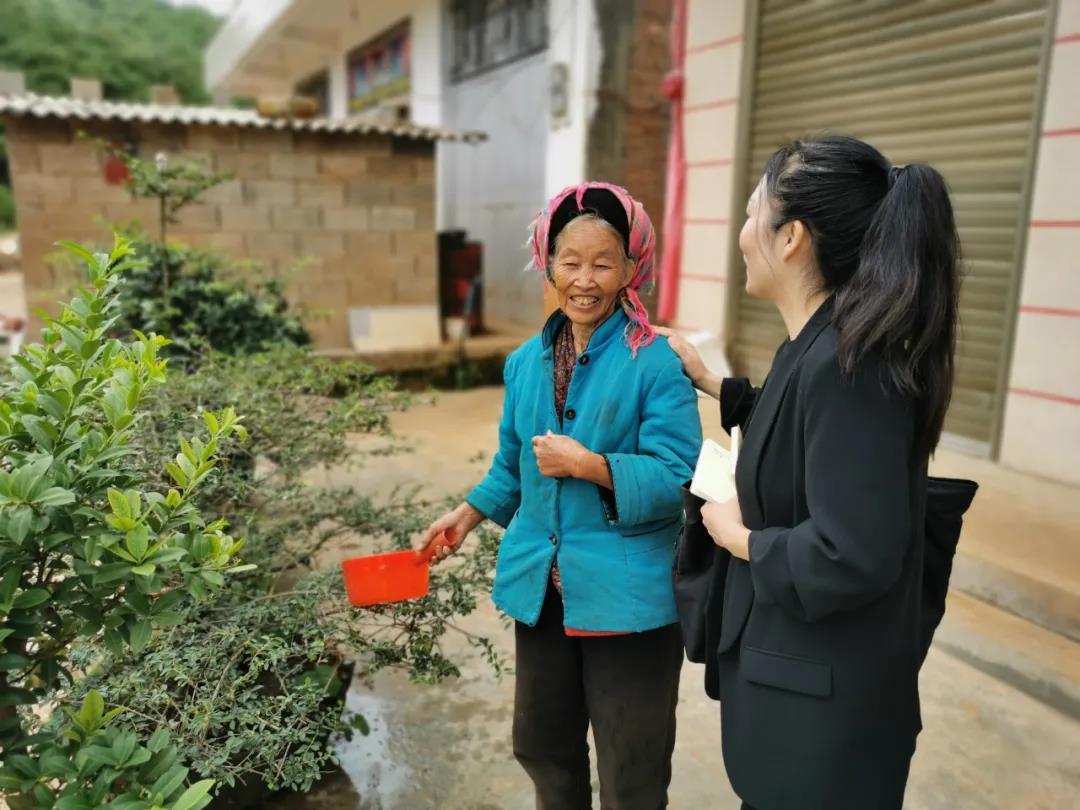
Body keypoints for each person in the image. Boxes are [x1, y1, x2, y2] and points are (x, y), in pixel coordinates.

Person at [658, 134, 960, 810]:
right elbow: (805, 429)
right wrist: (717, 385)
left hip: (824, 735)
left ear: (790, 236)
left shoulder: (851, 366)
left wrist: (740, 538)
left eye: (749, 214)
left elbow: (852, 553)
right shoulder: (821, 342)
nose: (740, 235)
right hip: (802, 711)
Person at [417, 182, 702, 810]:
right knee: (544, 747)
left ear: (633, 268)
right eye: (571, 262)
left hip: (630, 601)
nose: (585, 279)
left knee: (632, 765)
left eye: (604, 263)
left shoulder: (655, 362)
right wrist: (465, 515)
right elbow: (512, 463)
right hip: (543, 590)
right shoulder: (525, 362)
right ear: (548, 264)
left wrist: (593, 466)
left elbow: (679, 477)